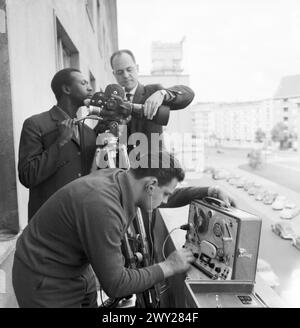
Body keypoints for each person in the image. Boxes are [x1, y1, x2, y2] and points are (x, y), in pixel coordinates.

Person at [12, 151, 235, 308]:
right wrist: (169, 266)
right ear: (151, 185)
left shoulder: (125, 177)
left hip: (75, 269)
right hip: (44, 280)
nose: (166, 199)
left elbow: (165, 195)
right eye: (165, 193)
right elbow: (117, 285)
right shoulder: (103, 206)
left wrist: (209, 190)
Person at [18, 68, 97, 220]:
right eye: (83, 83)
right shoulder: (35, 124)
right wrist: (60, 142)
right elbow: (27, 176)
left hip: (81, 220)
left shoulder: (88, 132)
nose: (90, 88)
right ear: (66, 89)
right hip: (48, 223)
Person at [110, 49, 195, 153]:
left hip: (152, 165)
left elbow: (189, 94)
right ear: (114, 74)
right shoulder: (111, 102)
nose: (126, 75)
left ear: (137, 68)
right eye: (120, 72)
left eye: (129, 69)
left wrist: (163, 94)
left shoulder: (153, 92)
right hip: (123, 166)